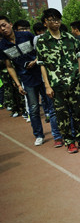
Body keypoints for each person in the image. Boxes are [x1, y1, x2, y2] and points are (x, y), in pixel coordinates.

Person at [37, 8, 80, 153]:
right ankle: (69, 141)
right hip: (57, 86)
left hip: (74, 82)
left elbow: (78, 58)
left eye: (58, 19)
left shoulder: (70, 38)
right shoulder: (43, 41)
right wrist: (47, 86)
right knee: (62, 115)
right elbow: (42, 65)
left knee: (79, 112)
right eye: (52, 20)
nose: (55, 23)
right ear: (45, 22)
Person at [0, 15, 62, 146]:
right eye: (0, 27)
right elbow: (9, 66)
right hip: (26, 80)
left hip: (41, 74)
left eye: (4, 25)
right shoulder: (2, 46)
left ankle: (57, 135)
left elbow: (40, 51)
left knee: (51, 105)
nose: (3, 28)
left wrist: (35, 61)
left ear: (10, 24)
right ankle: (38, 135)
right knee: (33, 109)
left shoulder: (27, 35)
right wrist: (18, 84)